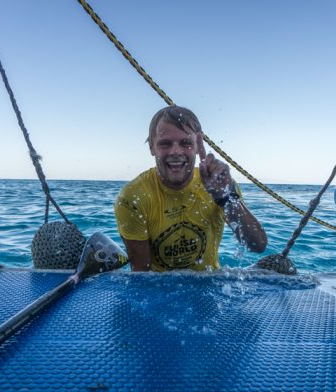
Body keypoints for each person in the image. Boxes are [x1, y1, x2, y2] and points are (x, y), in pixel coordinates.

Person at [114, 105, 267, 271]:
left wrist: (225, 197)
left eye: (186, 143)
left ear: (197, 145)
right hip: (159, 291)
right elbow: (141, 273)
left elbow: (257, 245)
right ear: (152, 147)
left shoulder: (219, 185)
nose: (175, 151)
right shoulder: (132, 197)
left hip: (210, 285)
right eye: (165, 144)